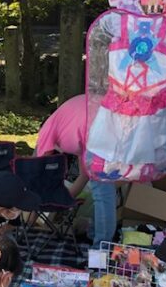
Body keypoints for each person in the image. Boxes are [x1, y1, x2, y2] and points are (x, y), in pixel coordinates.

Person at [35, 94, 117, 248]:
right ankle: (95, 236)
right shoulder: (69, 125)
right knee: (103, 191)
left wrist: (39, 209)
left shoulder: (46, 131)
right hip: (107, 118)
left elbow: (38, 173)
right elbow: (85, 174)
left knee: (102, 192)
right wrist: (64, 199)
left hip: (100, 125)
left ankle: (101, 249)